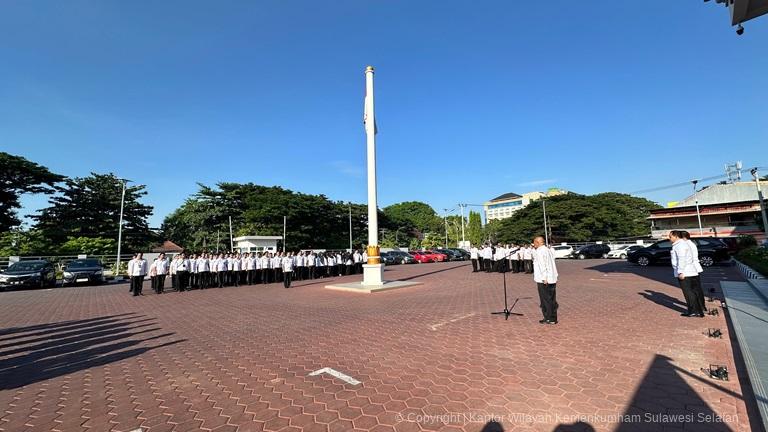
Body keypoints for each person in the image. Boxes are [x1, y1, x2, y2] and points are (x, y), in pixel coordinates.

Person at [670, 230, 704, 317]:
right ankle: (698, 310)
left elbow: (682, 259)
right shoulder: (682, 244)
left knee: (688, 292)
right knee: (692, 291)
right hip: (690, 271)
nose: (669, 238)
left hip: (685, 272)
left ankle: (693, 311)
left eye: (671, 237)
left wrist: (680, 271)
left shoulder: (680, 245)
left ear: (676, 236)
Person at [532, 236, 558, 324]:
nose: (533, 244)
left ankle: (549, 318)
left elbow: (542, 265)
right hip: (552, 278)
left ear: (538, 242)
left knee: (545, 299)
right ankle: (551, 318)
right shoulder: (547, 250)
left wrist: (544, 278)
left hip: (543, 279)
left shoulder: (540, 251)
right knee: (551, 298)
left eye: (534, 242)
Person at [681, 231, 706, 312]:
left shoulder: (686, 245)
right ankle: (701, 306)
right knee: (697, 289)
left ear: (683, 237)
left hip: (691, 269)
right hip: (696, 268)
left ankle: (696, 308)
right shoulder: (691, 243)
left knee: (692, 290)